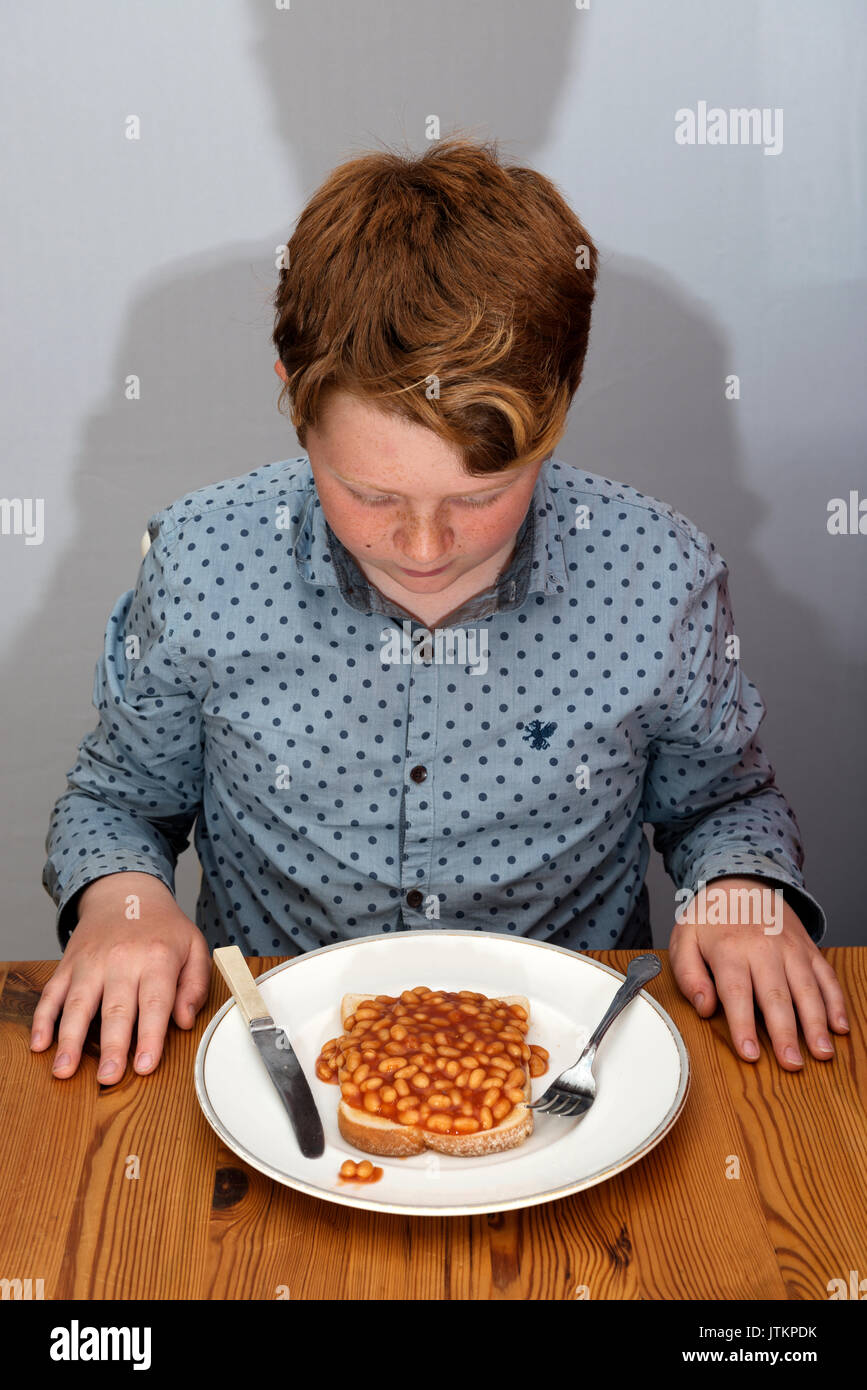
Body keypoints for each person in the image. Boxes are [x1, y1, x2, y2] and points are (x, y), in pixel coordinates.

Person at [35, 135, 848, 1088]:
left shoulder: (659, 576)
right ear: (293, 399)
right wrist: (123, 901)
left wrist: (741, 892)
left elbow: (723, 802)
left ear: (559, 406)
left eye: (477, 496)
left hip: (573, 1069)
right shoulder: (203, 562)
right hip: (277, 1069)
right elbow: (120, 799)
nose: (424, 549)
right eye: (372, 495)